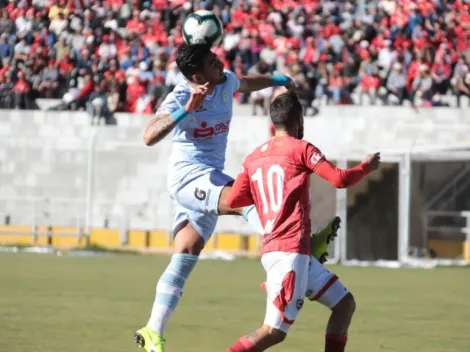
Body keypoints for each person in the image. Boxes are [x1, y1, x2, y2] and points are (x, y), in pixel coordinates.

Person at [134, 43, 339, 352]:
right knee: (250, 202)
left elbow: (246, 82)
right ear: (196, 73)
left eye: (216, 57)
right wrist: (185, 110)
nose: (219, 63)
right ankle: (306, 251)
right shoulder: (180, 97)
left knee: (186, 252)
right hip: (189, 178)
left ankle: (152, 328)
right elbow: (149, 136)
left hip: (210, 177)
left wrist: (278, 81)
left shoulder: (225, 80)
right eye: (211, 62)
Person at [225, 91, 381, 352]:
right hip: (289, 254)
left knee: (344, 304)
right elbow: (340, 179)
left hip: (288, 252)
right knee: (273, 332)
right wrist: (365, 167)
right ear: (299, 121)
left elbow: (234, 200)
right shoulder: (301, 148)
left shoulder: (253, 157)